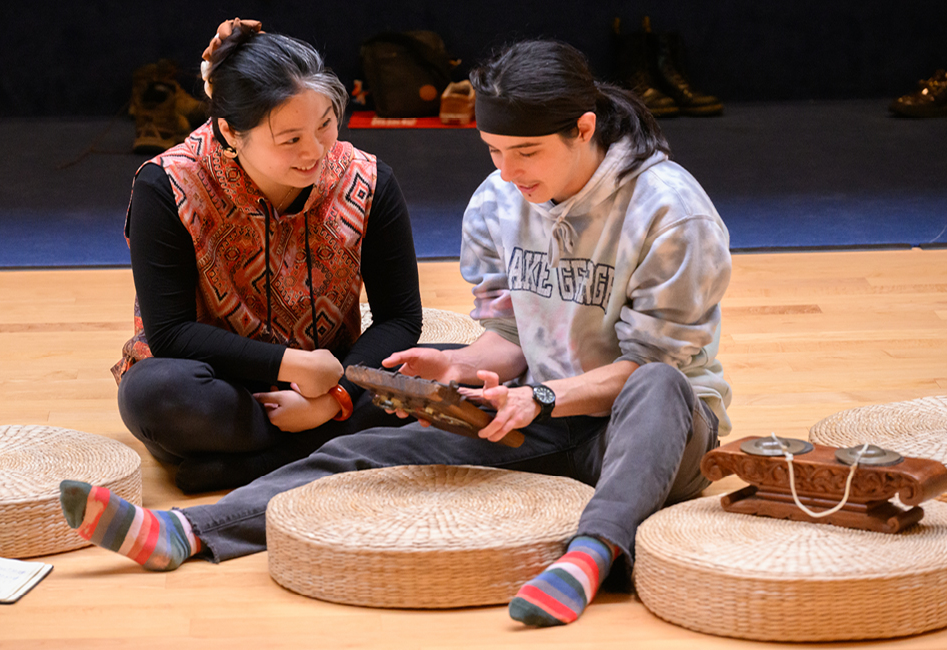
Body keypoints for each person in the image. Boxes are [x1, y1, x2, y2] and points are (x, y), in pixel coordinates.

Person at [61, 38, 732, 628]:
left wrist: (545, 398)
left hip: (650, 430)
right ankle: (185, 532)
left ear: (584, 129)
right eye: (494, 151)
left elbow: (655, 364)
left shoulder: (670, 212)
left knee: (662, 384)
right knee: (376, 451)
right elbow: (508, 332)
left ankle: (590, 555)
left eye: (524, 152)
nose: (506, 172)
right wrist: (464, 367)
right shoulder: (502, 199)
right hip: (544, 415)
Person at [111, 19, 423, 493]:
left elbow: (400, 318)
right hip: (222, 383)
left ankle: (255, 465)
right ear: (232, 133)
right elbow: (171, 334)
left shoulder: (369, 178)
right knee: (156, 395)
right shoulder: (167, 184)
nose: (316, 150)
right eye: (290, 139)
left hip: (331, 378)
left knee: (456, 376)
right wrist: (297, 368)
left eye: (325, 125)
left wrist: (336, 394)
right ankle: (330, 448)